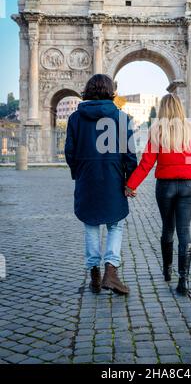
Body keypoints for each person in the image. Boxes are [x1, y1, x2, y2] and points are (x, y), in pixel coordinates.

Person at [125, 94, 191, 296]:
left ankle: (167, 270)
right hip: (188, 187)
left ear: (162, 110)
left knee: (167, 228)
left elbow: (146, 163)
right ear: (180, 108)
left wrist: (131, 185)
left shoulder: (157, 131)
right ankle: (184, 281)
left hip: (165, 187)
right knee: (184, 231)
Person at [65, 75, 137, 295]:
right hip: (114, 179)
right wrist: (130, 182)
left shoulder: (75, 118)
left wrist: (79, 173)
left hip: (87, 179)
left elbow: (69, 152)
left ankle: (94, 275)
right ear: (111, 91)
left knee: (90, 225)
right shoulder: (123, 118)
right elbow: (130, 155)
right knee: (116, 224)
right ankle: (111, 271)